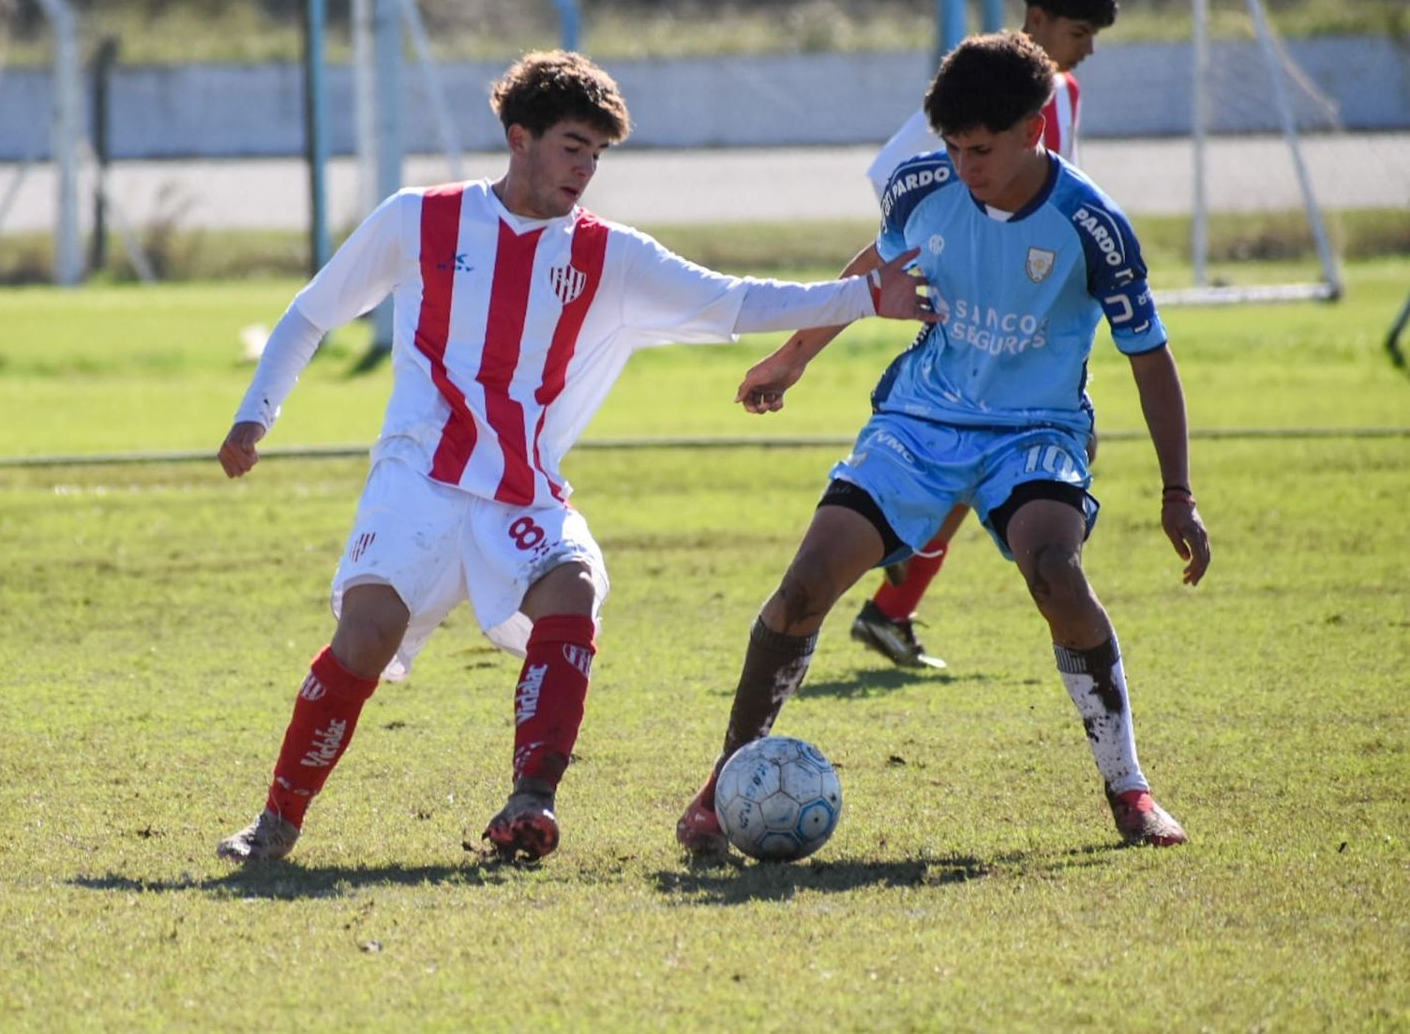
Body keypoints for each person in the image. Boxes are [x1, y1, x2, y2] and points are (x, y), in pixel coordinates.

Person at [213, 50, 940, 865]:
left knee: (576, 583)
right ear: (518, 138)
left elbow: (732, 300)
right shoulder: (420, 219)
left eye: (598, 153)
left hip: (522, 489)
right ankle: (274, 823)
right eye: (571, 146)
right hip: (417, 478)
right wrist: (255, 415)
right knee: (368, 633)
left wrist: (862, 297)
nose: (586, 168)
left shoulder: (609, 254)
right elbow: (311, 313)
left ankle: (531, 802)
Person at [676, 31, 1211, 855]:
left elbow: (1151, 356)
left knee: (1054, 571)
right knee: (804, 586)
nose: (967, 166)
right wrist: (792, 356)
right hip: (921, 422)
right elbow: (875, 267)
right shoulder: (922, 189)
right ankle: (722, 783)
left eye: (984, 149)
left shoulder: (1093, 224)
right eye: (955, 148)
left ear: (1035, 127)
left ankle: (1130, 790)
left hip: (1036, 432)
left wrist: (1179, 493)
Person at [854, 0, 1120, 670]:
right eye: (1077, 35)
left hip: (1033, 326)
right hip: (966, 322)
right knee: (977, 454)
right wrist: (945, 249)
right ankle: (892, 591)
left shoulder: (1060, 94)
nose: (1086, 52)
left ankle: (893, 601)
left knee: (994, 462)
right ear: (1036, 18)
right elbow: (894, 177)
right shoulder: (976, 90)